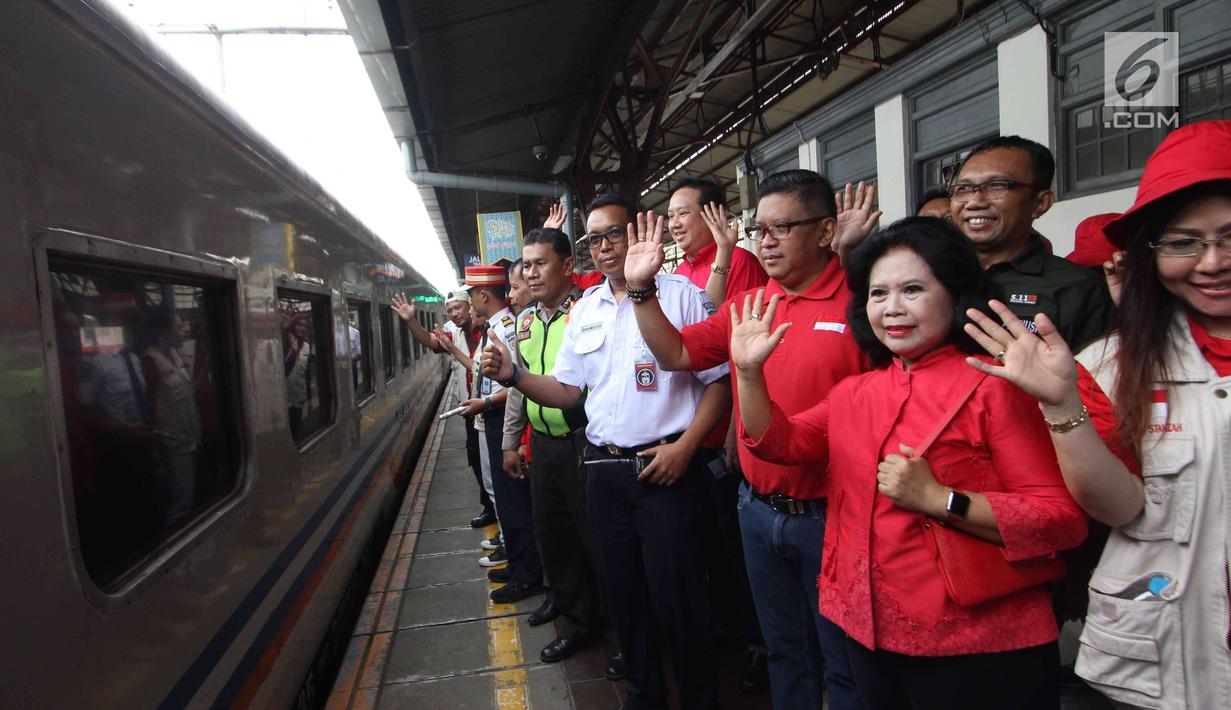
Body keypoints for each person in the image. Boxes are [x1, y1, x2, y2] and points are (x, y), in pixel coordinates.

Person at [732, 217, 1087, 707]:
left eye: (913, 289)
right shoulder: (855, 392)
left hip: (976, 645)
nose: (892, 308)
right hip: (866, 633)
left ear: (956, 295)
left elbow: (1063, 521)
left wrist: (942, 500)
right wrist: (749, 373)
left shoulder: (998, 385)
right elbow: (780, 444)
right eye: (878, 294)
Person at [963, 119, 1231, 709]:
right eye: (1184, 243)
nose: (1212, 262)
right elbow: (1120, 508)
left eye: (1230, 237)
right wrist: (1063, 404)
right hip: (1171, 653)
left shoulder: (1071, 292)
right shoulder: (1111, 364)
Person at [626, 169, 863, 710]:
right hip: (757, 510)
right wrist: (641, 291)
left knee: (845, 662)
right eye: (761, 229)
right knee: (786, 653)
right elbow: (675, 354)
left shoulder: (862, 306)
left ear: (826, 231)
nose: (767, 241)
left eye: (783, 227)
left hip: (834, 515)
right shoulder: (748, 306)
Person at [481, 194, 728, 710]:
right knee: (624, 595)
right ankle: (643, 693)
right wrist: (514, 375)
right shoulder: (586, 311)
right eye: (595, 239)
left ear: (639, 231)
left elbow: (719, 383)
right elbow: (567, 391)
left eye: (615, 233)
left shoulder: (684, 296)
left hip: (664, 469)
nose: (606, 246)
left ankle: (700, 698)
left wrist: (686, 448)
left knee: (680, 599)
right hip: (603, 470)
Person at [664, 176, 770, 690]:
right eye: (671, 215)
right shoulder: (676, 272)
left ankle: (758, 643)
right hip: (691, 432)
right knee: (707, 542)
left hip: (722, 429)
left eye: (683, 213)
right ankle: (729, 626)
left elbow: (736, 352)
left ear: (713, 215)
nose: (674, 223)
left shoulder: (741, 262)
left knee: (735, 545)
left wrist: (732, 428)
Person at [499, 227, 616, 672]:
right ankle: (578, 623)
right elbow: (519, 384)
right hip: (544, 447)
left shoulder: (588, 312)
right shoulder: (526, 322)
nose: (530, 273)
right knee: (557, 540)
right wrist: (511, 442)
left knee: (600, 542)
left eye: (540, 263)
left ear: (568, 266)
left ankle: (624, 632)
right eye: (526, 265)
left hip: (585, 442)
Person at [949, 135, 1113, 350]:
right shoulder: (934, 273)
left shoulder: (1078, 288)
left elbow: (1093, 371)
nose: (975, 201)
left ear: (1040, 203)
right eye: (963, 188)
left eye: (997, 185)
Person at [461, 264, 543, 602]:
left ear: (482, 294)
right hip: (495, 417)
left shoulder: (507, 329)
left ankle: (527, 573)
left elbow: (518, 381)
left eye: (471, 294)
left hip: (502, 417)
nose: (470, 301)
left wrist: (485, 402)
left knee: (513, 500)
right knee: (506, 501)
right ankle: (519, 563)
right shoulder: (495, 327)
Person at [394, 289, 496, 528]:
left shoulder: (490, 329)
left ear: (470, 305)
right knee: (477, 459)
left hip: (492, 405)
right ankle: (490, 508)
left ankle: (500, 512)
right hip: (471, 409)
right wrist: (412, 321)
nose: (454, 313)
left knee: (494, 462)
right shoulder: (453, 332)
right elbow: (431, 341)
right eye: (450, 310)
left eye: (458, 308)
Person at [142, 311, 202, 527]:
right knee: (180, 503)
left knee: (189, 495)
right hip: (173, 442)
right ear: (164, 333)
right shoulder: (151, 361)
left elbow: (188, 390)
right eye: (178, 327)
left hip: (189, 438)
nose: (183, 331)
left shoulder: (174, 355)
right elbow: (149, 406)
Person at [283, 311, 313, 441]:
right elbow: (284, 371)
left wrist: (309, 398)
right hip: (285, 397)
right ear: (293, 325)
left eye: (305, 326)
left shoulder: (306, 346)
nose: (302, 328)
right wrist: (294, 352)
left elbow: (307, 373)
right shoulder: (284, 343)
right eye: (299, 324)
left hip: (299, 395)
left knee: (296, 428)